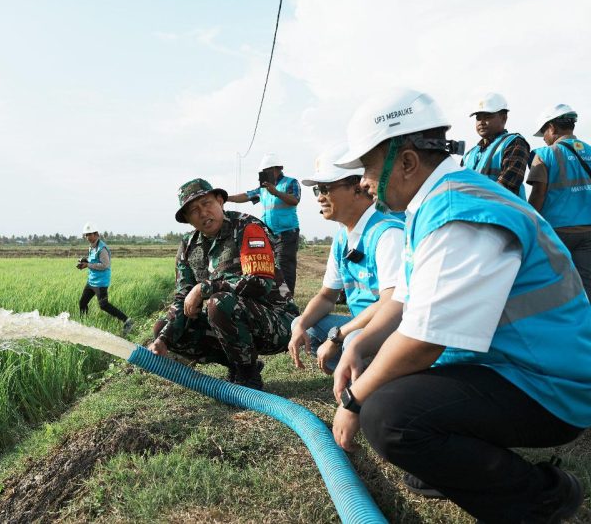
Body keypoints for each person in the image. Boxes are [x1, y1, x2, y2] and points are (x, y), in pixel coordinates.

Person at [329, 89, 590, 523]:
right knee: (381, 368)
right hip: (515, 366)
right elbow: (407, 301)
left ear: (408, 162)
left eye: (368, 169)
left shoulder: (459, 213)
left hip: (550, 386)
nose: (363, 183)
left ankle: (543, 498)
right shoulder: (433, 203)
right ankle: (454, 466)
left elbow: (422, 341)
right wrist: (358, 344)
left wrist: (354, 400)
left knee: (389, 416)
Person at [148, 178, 299, 390]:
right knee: (165, 327)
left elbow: (260, 282)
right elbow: (183, 297)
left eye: (206, 204)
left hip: (278, 322)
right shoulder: (188, 245)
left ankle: (248, 377)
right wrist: (163, 339)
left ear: (220, 201)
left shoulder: (249, 227)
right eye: (194, 210)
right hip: (232, 321)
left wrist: (204, 288)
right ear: (188, 220)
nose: (202, 213)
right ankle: (240, 364)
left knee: (219, 302)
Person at [287, 151, 403, 373]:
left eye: (326, 189)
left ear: (358, 187)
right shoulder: (343, 237)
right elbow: (327, 296)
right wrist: (302, 324)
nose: (320, 197)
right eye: (317, 190)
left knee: (354, 340)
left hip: (392, 328)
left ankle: (370, 384)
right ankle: (355, 372)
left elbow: (391, 304)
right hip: (361, 322)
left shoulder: (388, 233)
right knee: (302, 325)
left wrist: (338, 336)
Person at [527, 104, 591, 301]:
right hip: (588, 232)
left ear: (552, 127)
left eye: (544, 132)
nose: (544, 139)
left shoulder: (545, 155)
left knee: (554, 288)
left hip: (556, 232)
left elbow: (538, 193)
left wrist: (530, 223)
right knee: (585, 288)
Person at [228, 153, 301, 295]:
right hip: (269, 234)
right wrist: (227, 198)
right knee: (272, 266)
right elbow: (246, 196)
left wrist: (276, 192)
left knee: (285, 266)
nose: (265, 174)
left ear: (277, 168)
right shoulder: (263, 189)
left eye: (267, 170)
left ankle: (288, 299)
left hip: (287, 234)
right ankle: (278, 296)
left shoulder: (290, 182)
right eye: (263, 172)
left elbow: (294, 200)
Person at [461, 92, 530, 199]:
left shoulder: (515, 143)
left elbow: (506, 187)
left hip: (504, 214)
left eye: (488, 116)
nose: (481, 122)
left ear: (504, 118)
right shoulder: (469, 155)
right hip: (474, 213)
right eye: (478, 118)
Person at [76, 222, 134, 335]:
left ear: (96, 234)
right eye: (86, 235)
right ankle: (84, 328)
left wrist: (88, 265)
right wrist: (85, 261)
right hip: (91, 281)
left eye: (89, 234)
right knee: (82, 303)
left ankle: (128, 321)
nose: (87, 237)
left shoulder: (102, 248)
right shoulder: (92, 247)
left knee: (104, 305)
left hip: (101, 282)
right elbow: (93, 260)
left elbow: (105, 265)